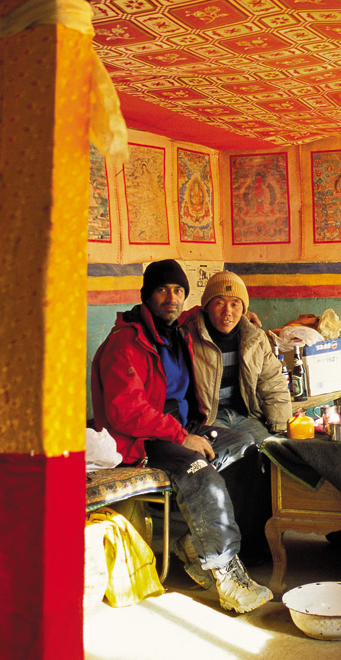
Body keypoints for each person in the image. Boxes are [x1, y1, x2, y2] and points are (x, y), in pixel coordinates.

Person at [90, 259, 273, 613]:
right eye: (162, 290)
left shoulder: (174, 330)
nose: (171, 298)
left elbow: (212, 308)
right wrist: (180, 437)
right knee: (201, 475)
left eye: (178, 290)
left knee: (243, 444)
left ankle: (194, 544)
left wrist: (243, 313)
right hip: (142, 440)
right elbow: (125, 411)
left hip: (180, 429)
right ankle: (225, 572)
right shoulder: (125, 342)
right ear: (146, 296)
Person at [181, 270, 291, 446]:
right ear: (207, 306)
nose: (228, 312)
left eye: (235, 304)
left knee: (273, 449)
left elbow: (272, 383)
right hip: (207, 420)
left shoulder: (255, 339)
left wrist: (280, 426)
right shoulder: (187, 337)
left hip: (244, 415)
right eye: (219, 303)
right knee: (241, 448)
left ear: (244, 309)